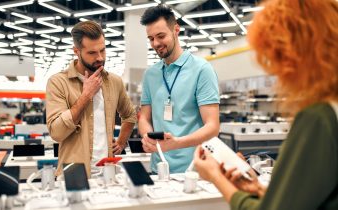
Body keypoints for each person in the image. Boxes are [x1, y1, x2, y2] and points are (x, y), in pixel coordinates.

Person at [194, 0, 338, 209]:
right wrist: (263, 191)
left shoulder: (319, 118)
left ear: (297, 55)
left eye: (278, 58)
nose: (277, 72)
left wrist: (217, 177)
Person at [46, 21, 137, 177]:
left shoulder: (114, 81)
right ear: (77, 51)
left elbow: (130, 115)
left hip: (108, 172)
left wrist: (121, 142)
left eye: (102, 50)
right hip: (73, 174)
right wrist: (86, 95)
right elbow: (56, 132)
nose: (100, 57)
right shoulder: (58, 82)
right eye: (92, 53)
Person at [138, 4, 220, 174]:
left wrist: (177, 143)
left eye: (161, 36)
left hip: (194, 170)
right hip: (158, 169)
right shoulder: (150, 74)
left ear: (176, 30)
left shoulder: (201, 69)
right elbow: (144, 118)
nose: (156, 43)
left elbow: (212, 126)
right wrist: (148, 137)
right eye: (151, 38)